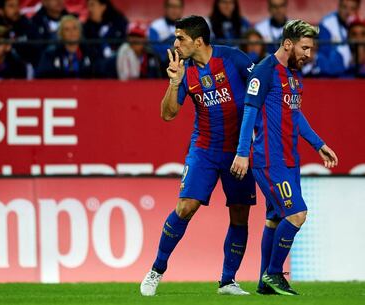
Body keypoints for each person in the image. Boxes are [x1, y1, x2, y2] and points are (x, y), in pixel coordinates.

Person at [140, 15, 257, 297]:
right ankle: (156, 269)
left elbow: (260, 90)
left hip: (238, 153)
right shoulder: (184, 70)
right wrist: (173, 83)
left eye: (180, 38)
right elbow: (167, 114)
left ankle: (228, 281)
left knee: (240, 214)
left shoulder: (233, 59)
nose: (175, 44)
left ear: (198, 41)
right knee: (185, 207)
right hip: (204, 150)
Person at [230, 19, 338, 295]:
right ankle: (274, 274)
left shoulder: (292, 74)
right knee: (298, 214)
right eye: (304, 48)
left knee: (275, 219)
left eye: (311, 49)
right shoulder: (263, 72)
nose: (308, 54)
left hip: (291, 160)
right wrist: (243, 153)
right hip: (270, 161)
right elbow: (249, 113)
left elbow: (294, 114)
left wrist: (318, 144)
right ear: (287, 44)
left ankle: (264, 283)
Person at [0, 0, 35, 65]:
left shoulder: (27, 26)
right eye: (11, 6)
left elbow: (34, 50)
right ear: (1, 10)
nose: (16, 10)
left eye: (17, 5)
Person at [318, 0, 361, 72]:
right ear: (339, 7)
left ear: (357, 10)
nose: (348, 12)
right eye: (344, 7)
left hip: (353, 70)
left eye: (352, 9)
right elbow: (325, 53)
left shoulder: (358, 25)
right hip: (334, 72)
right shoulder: (327, 24)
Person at [148, 0, 184, 70]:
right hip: (162, 67)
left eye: (177, 7)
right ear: (165, 8)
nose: (174, 10)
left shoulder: (189, 26)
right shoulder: (155, 26)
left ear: (181, 9)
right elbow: (154, 48)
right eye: (171, 6)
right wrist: (171, 49)